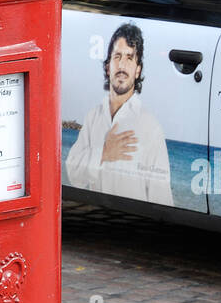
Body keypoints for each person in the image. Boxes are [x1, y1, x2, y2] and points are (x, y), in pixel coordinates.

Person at [65, 22, 174, 207]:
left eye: (130, 58)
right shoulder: (93, 116)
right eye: (117, 56)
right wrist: (103, 153)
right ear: (108, 66)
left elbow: (161, 198)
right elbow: (73, 173)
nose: (122, 66)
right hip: (98, 222)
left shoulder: (149, 126)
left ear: (138, 69)